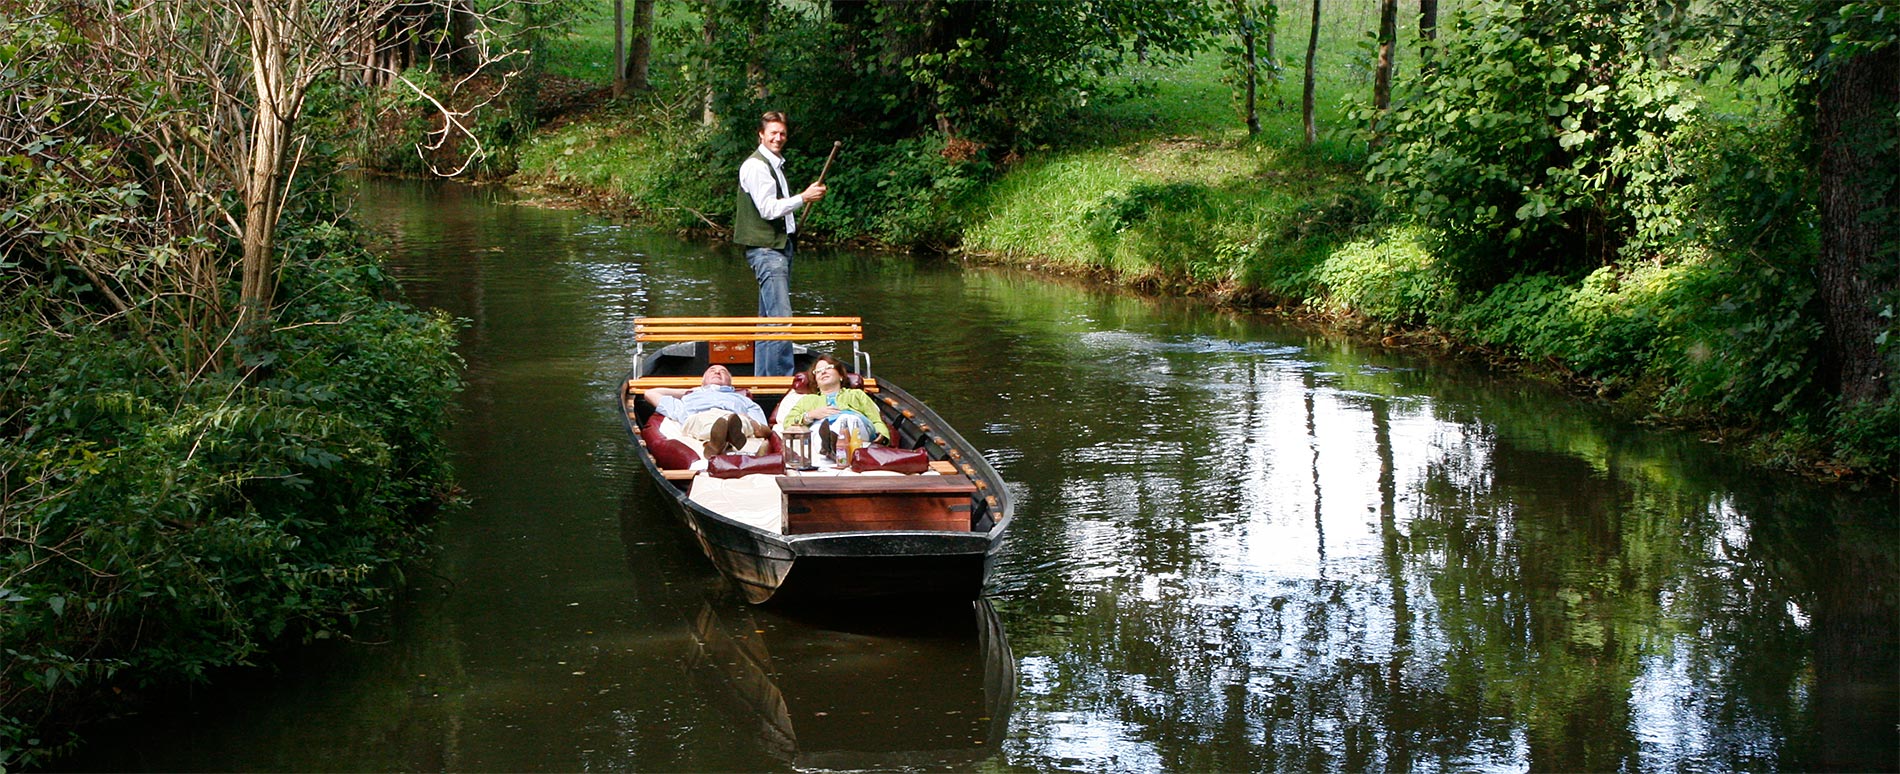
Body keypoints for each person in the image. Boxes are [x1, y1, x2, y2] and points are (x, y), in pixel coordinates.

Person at [734, 111, 827, 376]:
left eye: (782, 133)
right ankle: (782, 384)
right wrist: (804, 197)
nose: (778, 137)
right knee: (781, 321)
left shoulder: (774, 164)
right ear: (761, 134)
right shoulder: (756, 166)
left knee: (769, 323)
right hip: (766, 250)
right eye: (773, 132)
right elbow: (768, 209)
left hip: (778, 248)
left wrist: (802, 202)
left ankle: (764, 381)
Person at [642, 365, 772, 458]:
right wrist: (685, 391)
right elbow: (650, 393)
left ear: (730, 382)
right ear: (703, 381)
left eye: (723, 371)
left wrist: (750, 421)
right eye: (712, 370)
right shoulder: (688, 399)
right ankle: (725, 438)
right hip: (700, 416)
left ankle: (717, 443)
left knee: (739, 421)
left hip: (735, 418)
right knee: (702, 421)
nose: (717, 372)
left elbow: (765, 430)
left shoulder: (744, 400)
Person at [784, 355, 889, 462]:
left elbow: (876, 420)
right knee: (815, 431)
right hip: (820, 426)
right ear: (816, 382)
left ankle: (832, 445)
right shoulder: (807, 400)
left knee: (846, 420)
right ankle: (829, 447)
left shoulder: (856, 394)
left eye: (828, 368)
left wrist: (883, 436)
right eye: (818, 371)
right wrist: (810, 415)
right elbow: (787, 423)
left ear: (840, 376)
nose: (823, 372)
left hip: (856, 427)